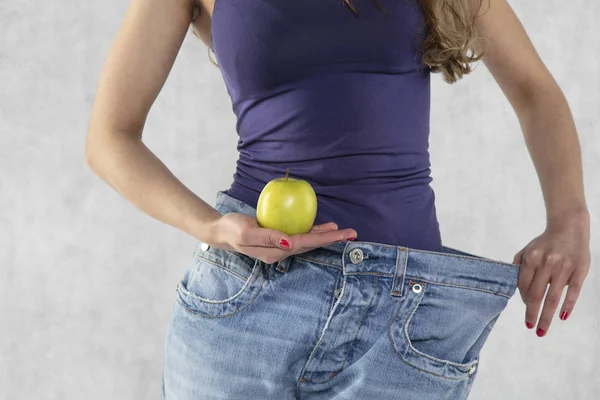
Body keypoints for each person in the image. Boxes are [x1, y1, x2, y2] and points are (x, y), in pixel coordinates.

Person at [85, 0, 591, 398]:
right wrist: (212, 228)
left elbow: (534, 90)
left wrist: (570, 219)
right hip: (249, 303)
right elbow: (109, 138)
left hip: (403, 316)